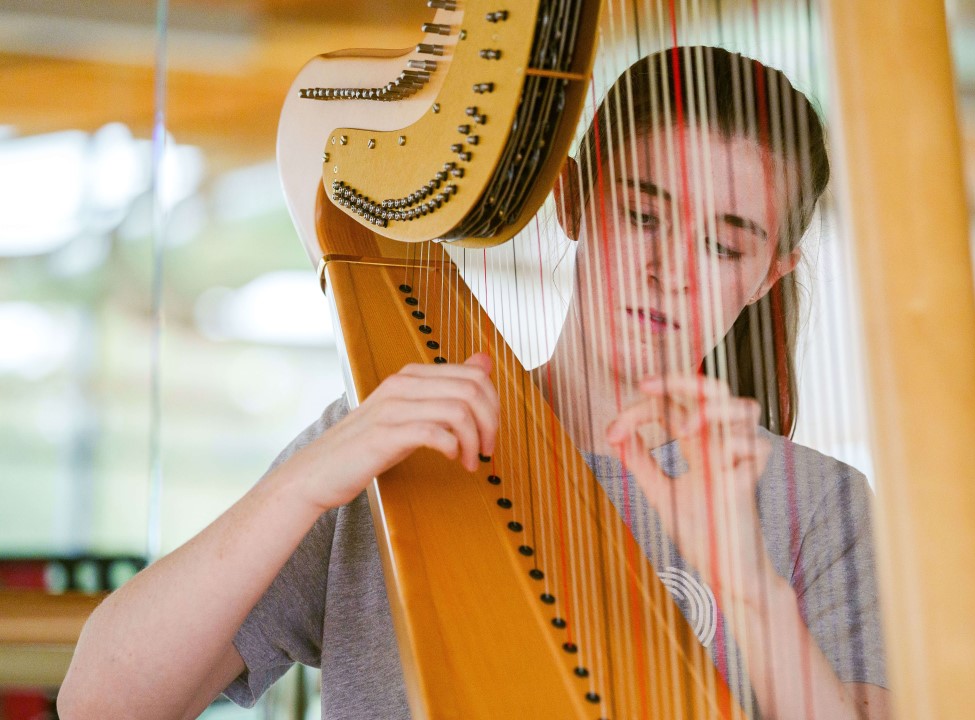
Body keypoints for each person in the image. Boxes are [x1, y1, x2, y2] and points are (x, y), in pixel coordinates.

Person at [58, 47, 889, 720]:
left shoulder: (820, 506)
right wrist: (303, 483)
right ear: (571, 201)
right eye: (642, 215)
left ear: (770, 274)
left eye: (724, 244)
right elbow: (99, 702)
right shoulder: (393, 439)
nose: (669, 271)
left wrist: (744, 582)